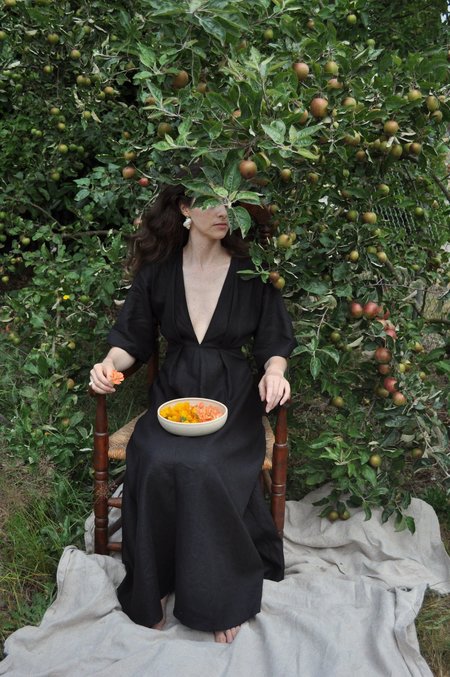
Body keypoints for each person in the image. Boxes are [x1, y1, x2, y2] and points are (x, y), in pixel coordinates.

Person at [89, 182, 296, 644]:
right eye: (210, 200)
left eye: (230, 201)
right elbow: (131, 340)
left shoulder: (252, 272)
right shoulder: (159, 272)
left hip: (233, 398)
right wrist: (107, 365)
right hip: (174, 396)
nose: (224, 211)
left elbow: (274, 342)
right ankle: (157, 582)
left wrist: (275, 372)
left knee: (205, 464)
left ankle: (217, 596)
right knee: (154, 458)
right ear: (185, 207)